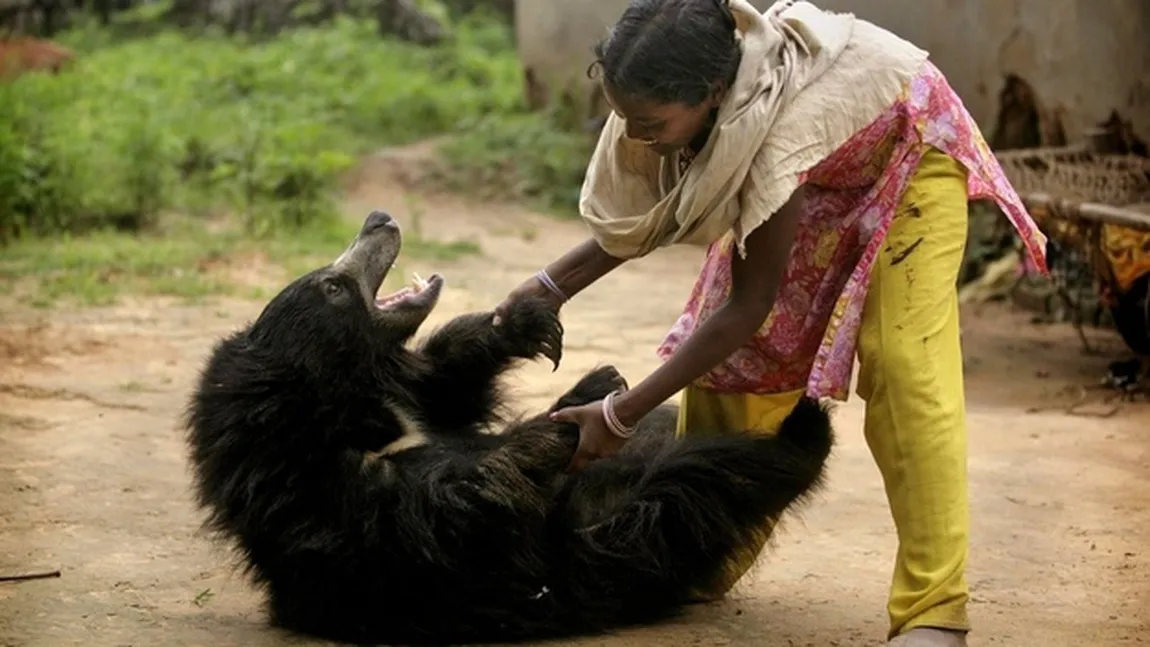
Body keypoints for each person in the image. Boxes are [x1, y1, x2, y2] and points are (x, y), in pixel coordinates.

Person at [492, 0, 1049, 645]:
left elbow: (748, 305)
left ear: (710, 93)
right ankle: (699, 552)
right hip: (812, 181)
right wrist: (547, 288)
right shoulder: (687, 107)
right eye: (628, 121)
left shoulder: (776, 128)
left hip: (905, 165)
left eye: (651, 124)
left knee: (903, 363)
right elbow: (649, 216)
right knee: (732, 366)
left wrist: (620, 416)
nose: (639, 138)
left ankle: (934, 609)